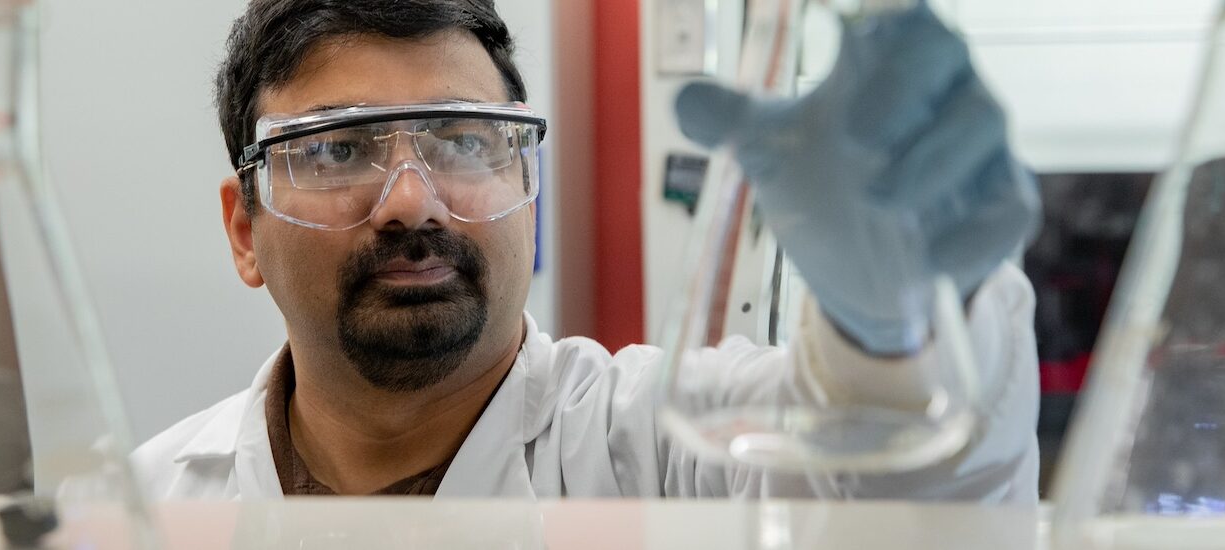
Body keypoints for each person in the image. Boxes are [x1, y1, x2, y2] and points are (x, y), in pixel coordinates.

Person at [133, 0, 1042, 500]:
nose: (412, 199)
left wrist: (903, 323)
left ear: (529, 196)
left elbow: (911, 479)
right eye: (337, 148)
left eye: (464, 138)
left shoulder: (656, 446)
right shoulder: (145, 503)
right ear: (244, 232)